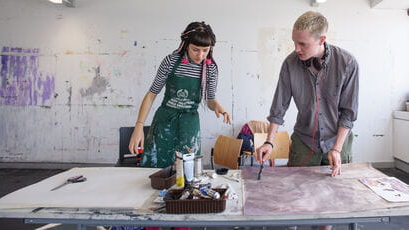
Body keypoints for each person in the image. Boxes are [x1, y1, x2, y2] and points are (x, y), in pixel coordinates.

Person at [256, 11, 359, 230]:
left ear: (322, 40)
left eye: (302, 44)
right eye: (294, 42)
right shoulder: (290, 64)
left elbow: (348, 114)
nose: (296, 49)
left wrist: (337, 149)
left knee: (329, 202)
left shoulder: (347, 63)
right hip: (305, 142)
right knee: (295, 199)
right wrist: (269, 142)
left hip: (337, 141)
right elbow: (278, 108)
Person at [129, 21, 231, 169]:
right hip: (165, 121)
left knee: (187, 170)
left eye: (205, 50)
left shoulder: (210, 68)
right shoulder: (171, 61)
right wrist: (139, 126)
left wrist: (218, 107)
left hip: (189, 125)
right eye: (195, 49)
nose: (200, 55)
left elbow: (210, 100)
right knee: (156, 166)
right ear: (186, 44)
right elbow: (152, 94)